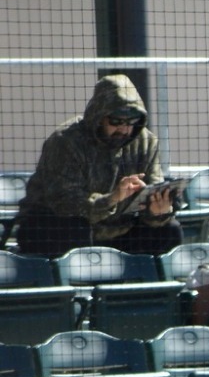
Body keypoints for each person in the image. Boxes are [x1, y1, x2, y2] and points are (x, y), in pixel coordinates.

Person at [14, 74, 183, 257]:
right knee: (74, 228)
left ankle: (146, 283)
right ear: (99, 116)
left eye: (132, 122)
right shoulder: (66, 141)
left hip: (117, 229)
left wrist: (157, 212)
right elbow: (64, 203)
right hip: (54, 226)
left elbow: (152, 189)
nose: (124, 129)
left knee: (169, 230)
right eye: (116, 121)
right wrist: (112, 199)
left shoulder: (146, 142)